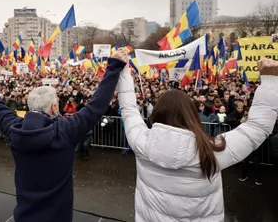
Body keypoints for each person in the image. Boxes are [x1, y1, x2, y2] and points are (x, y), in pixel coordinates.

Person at [0, 49, 128, 222]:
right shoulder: (65, 131)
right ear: (54, 107)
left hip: (25, 216)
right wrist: (114, 67)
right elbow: (96, 107)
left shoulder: (14, 128)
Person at [117, 58, 278, 222]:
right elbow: (258, 128)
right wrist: (270, 81)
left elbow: (129, 109)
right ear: (191, 115)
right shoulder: (212, 150)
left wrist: (122, 72)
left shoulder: (140, 141)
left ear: (156, 113)